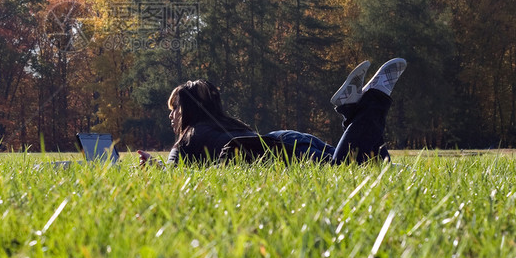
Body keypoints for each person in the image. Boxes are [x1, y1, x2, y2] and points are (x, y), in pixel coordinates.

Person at [137, 58, 407, 166]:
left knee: (345, 168)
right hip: (285, 139)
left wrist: (155, 166)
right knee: (368, 165)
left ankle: (372, 100)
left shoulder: (187, 138)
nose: (171, 116)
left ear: (187, 111)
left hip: (279, 151)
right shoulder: (222, 124)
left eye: (175, 109)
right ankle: (352, 106)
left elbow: (174, 176)